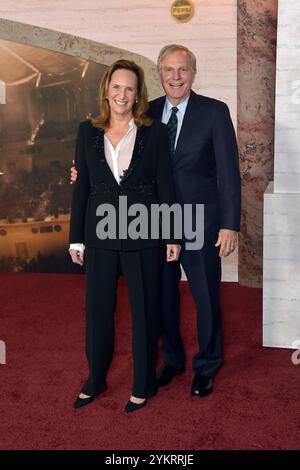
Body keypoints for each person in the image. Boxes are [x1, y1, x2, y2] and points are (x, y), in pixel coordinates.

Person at [71, 45, 241, 398]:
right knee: (161, 296)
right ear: (159, 75)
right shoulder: (145, 112)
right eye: (168, 69)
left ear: (193, 73)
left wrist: (230, 224)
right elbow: (114, 156)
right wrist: (82, 173)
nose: (175, 76)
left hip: (198, 219)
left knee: (205, 296)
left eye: (182, 69)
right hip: (150, 222)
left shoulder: (214, 112)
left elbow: (228, 173)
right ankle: (174, 359)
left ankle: (207, 364)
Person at [69, 59, 181, 413]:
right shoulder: (87, 131)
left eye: (129, 88)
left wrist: (172, 235)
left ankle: (143, 383)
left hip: (144, 231)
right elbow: (82, 187)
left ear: (138, 95)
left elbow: (166, 185)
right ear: (106, 90)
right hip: (99, 233)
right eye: (116, 87)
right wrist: (76, 238)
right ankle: (95, 378)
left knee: (145, 312)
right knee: (98, 311)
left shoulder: (155, 132)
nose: (122, 94)